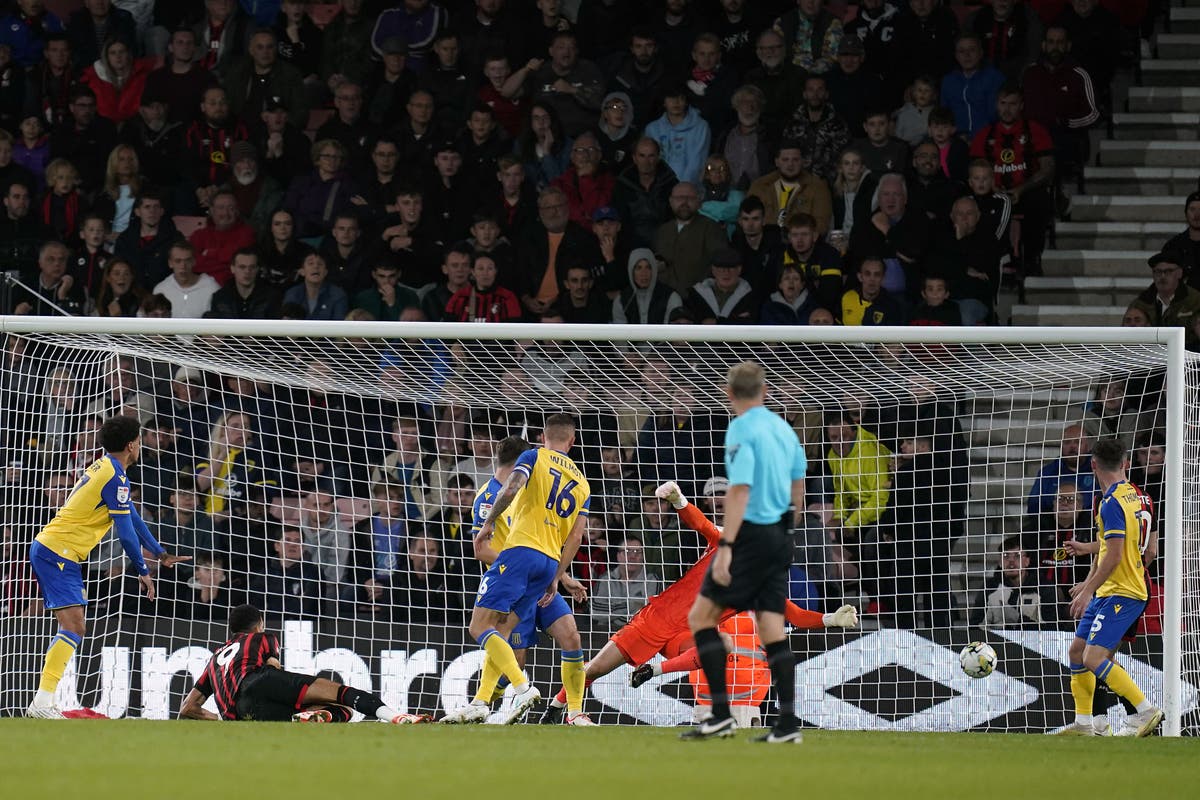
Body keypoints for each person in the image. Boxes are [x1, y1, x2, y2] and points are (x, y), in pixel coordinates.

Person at [541, 479, 859, 723]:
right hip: (656, 620)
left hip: (686, 633)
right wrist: (678, 500)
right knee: (596, 668)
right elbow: (701, 524)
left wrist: (829, 619)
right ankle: (557, 707)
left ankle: (660, 673)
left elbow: (792, 613)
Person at [26, 415, 189, 718]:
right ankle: (43, 702)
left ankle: (43, 700)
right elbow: (126, 534)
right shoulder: (114, 475)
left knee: (72, 626)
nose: (139, 446)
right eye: (139, 440)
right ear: (131, 445)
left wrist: (159, 552)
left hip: (58, 550)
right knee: (74, 626)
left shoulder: (106, 466)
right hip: (57, 551)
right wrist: (143, 570)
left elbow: (132, 516)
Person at [682, 361, 808, 742]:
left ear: (729, 394)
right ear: (765, 391)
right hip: (781, 535)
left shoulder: (741, 428)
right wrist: (787, 532)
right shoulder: (784, 428)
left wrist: (727, 547)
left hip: (750, 536)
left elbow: (739, 490)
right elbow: (798, 483)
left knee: (701, 618)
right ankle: (787, 723)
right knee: (771, 628)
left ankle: (719, 714)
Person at [441, 435, 590, 725]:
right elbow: (481, 549)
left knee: (570, 634)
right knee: (514, 657)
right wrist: (513, 568)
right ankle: (484, 701)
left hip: (535, 574)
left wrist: (564, 577)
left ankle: (575, 712)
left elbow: (537, 541)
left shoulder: (528, 491)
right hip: (512, 577)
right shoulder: (489, 496)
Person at [1061, 438, 1163, 738]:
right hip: (1115, 587)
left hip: (1124, 591)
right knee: (1078, 651)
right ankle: (1085, 724)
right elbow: (1133, 547)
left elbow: (1116, 554)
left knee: (1095, 658)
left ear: (1093, 464)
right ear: (1126, 464)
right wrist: (1086, 550)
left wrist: (1087, 588)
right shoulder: (1139, 496)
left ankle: (1145, 711)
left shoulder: (1110, 503)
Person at [179, 603, 427, 723]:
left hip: (242, 714)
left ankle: (313, 717)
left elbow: (187, 708)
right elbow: (273, 669)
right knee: (341, 697)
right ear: (258, 625)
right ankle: (396, 717)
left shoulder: (213, 660)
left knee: (332, 714)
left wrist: (222, 720)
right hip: (260, 681)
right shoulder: (262, 638)